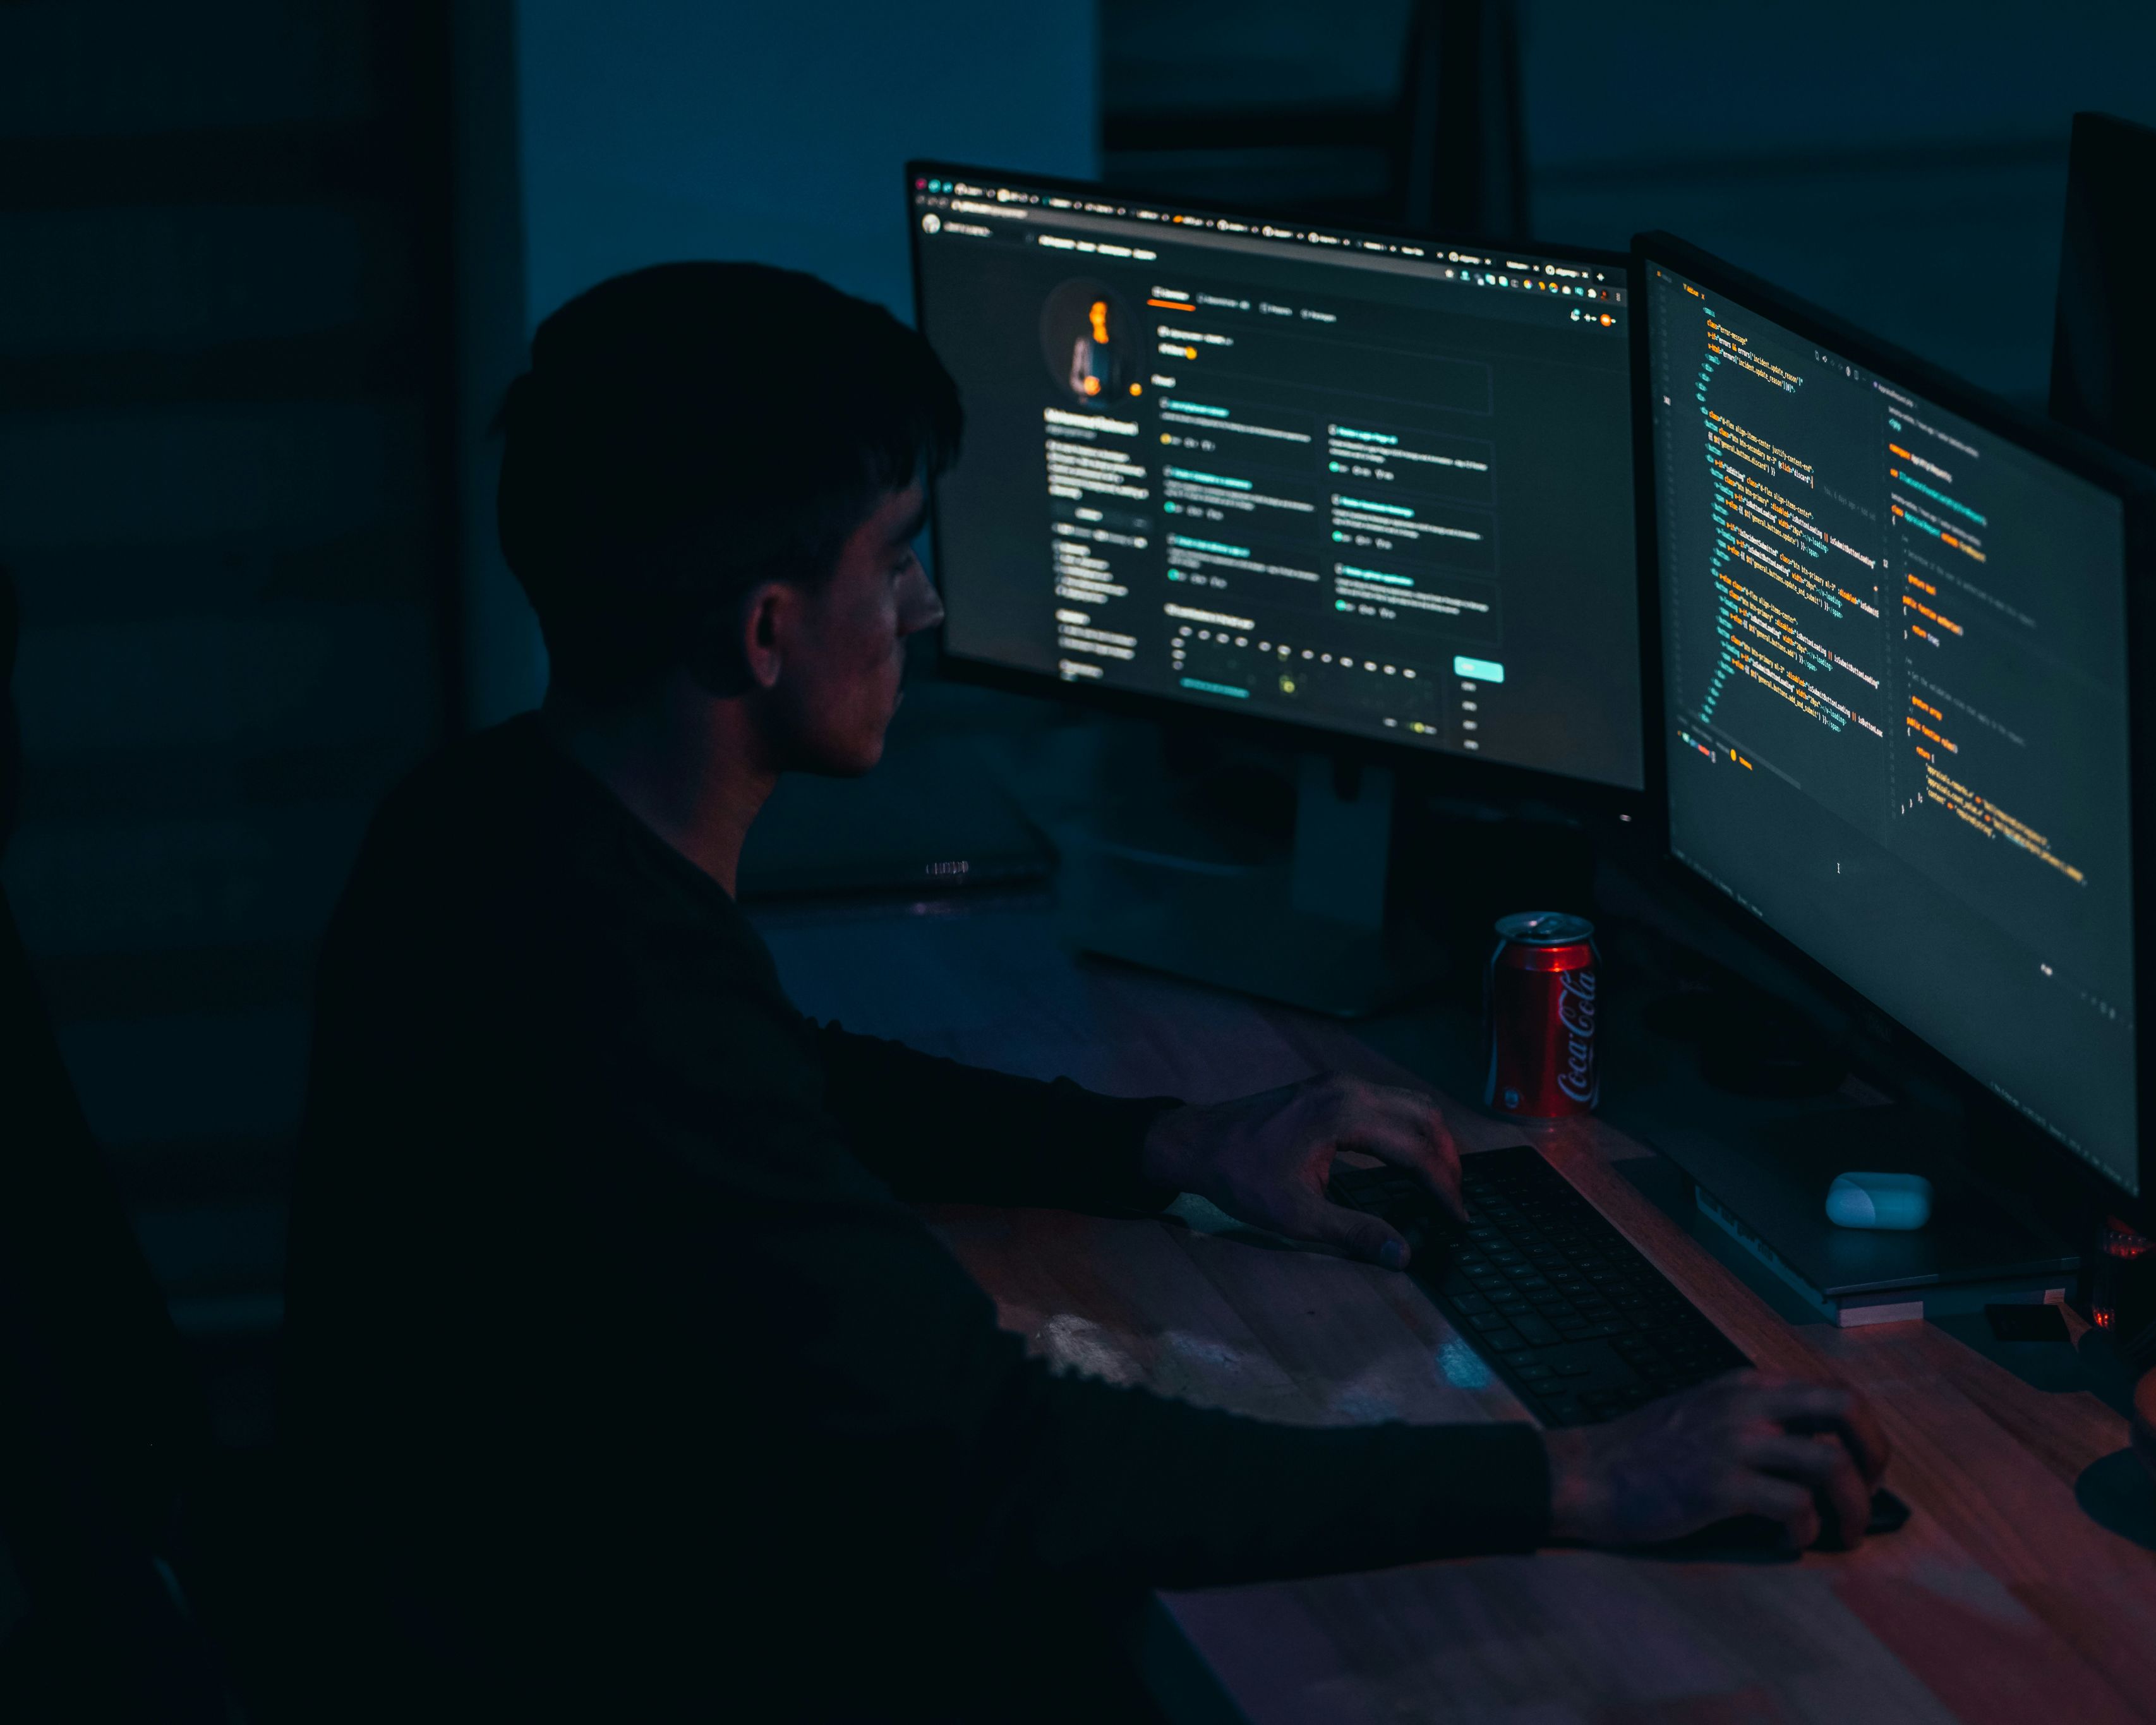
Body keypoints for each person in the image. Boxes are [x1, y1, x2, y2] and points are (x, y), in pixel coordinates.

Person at [282, 263, 1891, 1720]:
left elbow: (788, 1085)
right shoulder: (621, 996)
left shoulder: (493, 828)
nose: (922, 607)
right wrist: (1571, 1474)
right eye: (895, 559)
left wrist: (1169, 1146)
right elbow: (1004, 1463)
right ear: (768, 630)